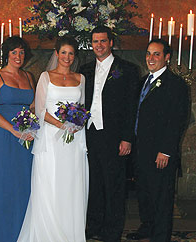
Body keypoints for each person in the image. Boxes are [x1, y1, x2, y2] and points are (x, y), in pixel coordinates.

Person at [17, 36, 89, 242]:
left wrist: (76, 124)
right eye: (63, 52)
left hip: (74, 140)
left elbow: (82, 108)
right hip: (50, 138)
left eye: (71, 53)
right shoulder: (45, 77)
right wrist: (61, 125)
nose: (67, 57)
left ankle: (70, 232)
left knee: (71, 184)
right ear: (57, 54)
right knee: (50, 182)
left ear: (75, 56)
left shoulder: (81, 78)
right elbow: (40, 109)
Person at [81, 26, 140, 242]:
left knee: (114, 186)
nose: (99, 45)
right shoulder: (85, 69)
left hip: (115, 138)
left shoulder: (128, 69)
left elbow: (132, 107)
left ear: (111, 42)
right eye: (95, 41)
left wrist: (127, 138)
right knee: (94, 184)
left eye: (103, 41)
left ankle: (113, 230)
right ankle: (94, 224)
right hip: (89, 135)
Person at [127, 39, 189, 242]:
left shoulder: (176, 84)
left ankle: (160, 236)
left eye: (156, 54)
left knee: (161, 197)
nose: (150, 58)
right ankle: (148, 227)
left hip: (160, 152)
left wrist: (166, 150)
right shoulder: (143, 81)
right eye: (148, 54)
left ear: (167, 57)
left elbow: (178, 120)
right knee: (144, 193)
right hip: (141, 149)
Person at [0, 36, 35, 242]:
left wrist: (33, 124)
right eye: (14, 52)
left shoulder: (29, 76)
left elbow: (32, 106)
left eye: (21, 52)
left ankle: (22, 235)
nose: (18, 56)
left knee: (25, 185)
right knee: (5, 185)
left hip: (27, 139)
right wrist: (14, 130)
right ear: (7, 54)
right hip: (5, 138)